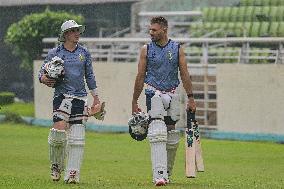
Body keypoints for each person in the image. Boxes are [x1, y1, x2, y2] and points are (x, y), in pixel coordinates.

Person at [131, 16, 196, 186]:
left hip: (173, 93)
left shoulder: (177, 49)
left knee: (171, 134)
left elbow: (185, 74)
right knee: (157, 130)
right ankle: (158, 174)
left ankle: (167, 173)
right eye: (150, 29)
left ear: (164, 30)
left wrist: (191, 98)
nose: (150, 32)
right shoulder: (146, 49)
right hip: (153, 92)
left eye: (154, 30)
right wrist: (134, 101)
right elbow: (140, 77)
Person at [39, 20, 104, 184]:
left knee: (77, 138)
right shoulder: (55, 53)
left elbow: (89, 75)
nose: (77, 34)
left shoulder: (84, 53)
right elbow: (42, 73)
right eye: (74, 31)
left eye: (78, 31)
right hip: (62, 96)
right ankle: (56, 166)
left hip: (80, 98)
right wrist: (44, 78)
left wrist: (96, 97)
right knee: (58, 133)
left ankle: (72, 174)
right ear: (66, 34)